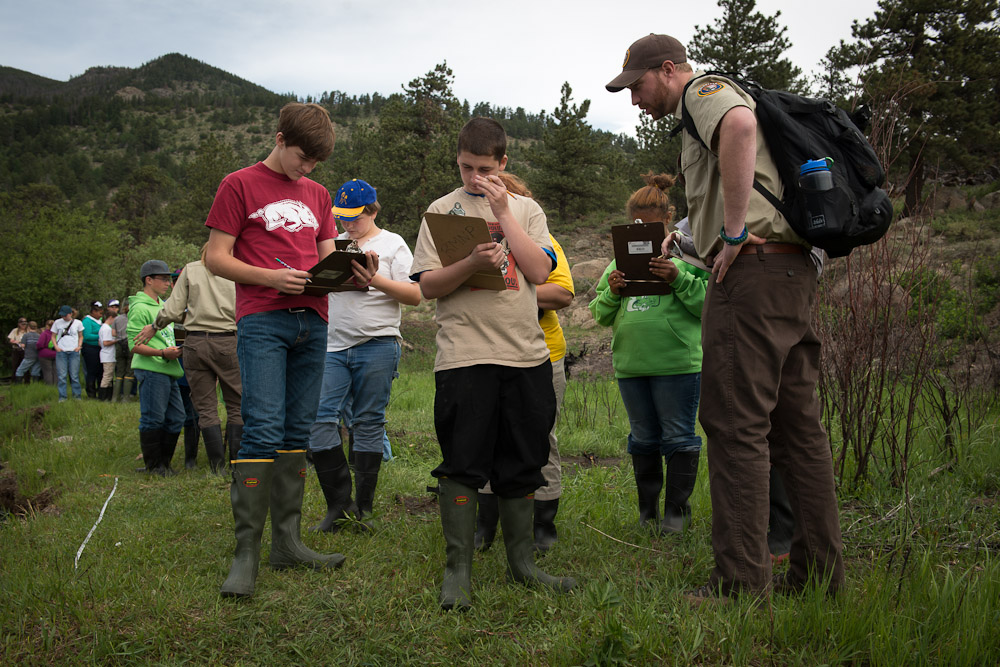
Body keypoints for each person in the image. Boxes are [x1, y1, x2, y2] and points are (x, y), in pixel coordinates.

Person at [606, 34, 845, 600]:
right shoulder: (696, 110)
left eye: (637, 86)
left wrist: (734, 232)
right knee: (798, 431)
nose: (634, 99)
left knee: (736, 426)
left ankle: (741, 581)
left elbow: (739, 126)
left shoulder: (704, 91)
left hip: (752, 279)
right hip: (790, 273)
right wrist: (689, 237)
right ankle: (818, 578)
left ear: (669, 70)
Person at [410, 117, 575, 611]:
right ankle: (457, 569)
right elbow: (427, 287)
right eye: (466, 167)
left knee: (524, 461)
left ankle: (523, 564)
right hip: (464, 355)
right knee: (463, 462)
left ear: (503, 163)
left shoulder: (526, 209)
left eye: (484, 168)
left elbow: (542, 270)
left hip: (525, 354)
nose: (474, 177)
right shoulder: (441, 211)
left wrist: (504, 212)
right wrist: (470, 265)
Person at [205, 102, 362, 599]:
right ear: (279, 138)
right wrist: (272, 277)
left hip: (313, 322)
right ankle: (245, 553)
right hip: (263, 320)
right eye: (302, 157)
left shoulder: (317, 194)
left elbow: (325, 258)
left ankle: (287, 543)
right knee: (263, 428)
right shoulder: (239, 184)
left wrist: (352, 268)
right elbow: (215, 257)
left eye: (316, 162)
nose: (309, 168)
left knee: (298, 429)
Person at [589, 173, 708, 535]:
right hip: (631, 366)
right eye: (635, 223)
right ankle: (647, 514)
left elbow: (708, 307)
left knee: (678, 436)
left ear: (666, 220)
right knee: (642, 438)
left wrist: (677, 278)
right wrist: (611, 291)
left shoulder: (689, 257)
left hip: (676, 364)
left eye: (650, 224)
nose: (641, 228)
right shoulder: (617, 261)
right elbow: (600, 313)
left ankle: (676, 516)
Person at [308, 179, 420, 533]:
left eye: (355, 217)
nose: (348, 224)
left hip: (378, 344)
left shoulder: (393, 244)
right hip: (331, 345)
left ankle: (365, 508)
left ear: (373, 210)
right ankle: (338, 506)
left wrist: (374, 280)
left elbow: (415, 295)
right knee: (321, 420)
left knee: (369, 422)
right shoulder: (334, 244)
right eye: (342, 217)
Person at [474, 172, 575, 555]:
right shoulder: (480, 241)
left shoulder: (542, 240)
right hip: (487, 350)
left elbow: (562, 292)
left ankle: (542, 526)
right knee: (486, 438)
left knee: (539, 439)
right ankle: (486, 526)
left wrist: (510, 294)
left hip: (541, 353)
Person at [134, 244, 241, 473]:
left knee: (205, 408)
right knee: (236, 405)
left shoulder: (191, 270)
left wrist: (155, 326)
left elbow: (172, 309)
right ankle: (236, 464)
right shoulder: (239, 268)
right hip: (229, 341)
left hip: (196, 343)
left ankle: (217, 467)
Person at [128, 260, 185, 475]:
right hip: (152, 369)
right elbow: (134, 345)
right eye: (163, 279)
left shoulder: (163, 306)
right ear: (148, 280)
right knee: (153, 417)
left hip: (169, 368)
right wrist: (162, 353)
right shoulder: (140, 308)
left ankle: (164, 464)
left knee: (177, 417)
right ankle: (154, 467)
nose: (168, 284)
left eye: (170, 279)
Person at [52, 306, 83, 401]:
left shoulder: (78, 323)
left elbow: (81, 336)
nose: (63, 317)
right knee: (62, 376)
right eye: (62, 315)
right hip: (62, 351)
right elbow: (53, 336)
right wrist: (56, 347)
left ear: (70, 314)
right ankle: (62, 397)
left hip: (74, 351)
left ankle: (77, 396)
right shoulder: (57, 322)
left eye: (65, 315)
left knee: (74, 375)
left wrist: (79, 346)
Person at [111, 299, 134, 402]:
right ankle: (126, 398)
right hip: (130, 344)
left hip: (119, 345)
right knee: (129, 372)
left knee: (119, 372)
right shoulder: (134, 318)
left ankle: (115, 398)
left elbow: (113, 333)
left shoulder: (117, 319)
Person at [81, 301, 104, 399]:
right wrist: (101, 336)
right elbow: (87, 336)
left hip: (100, 348)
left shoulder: (101, 321)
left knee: (100, 371)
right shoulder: (87, 321)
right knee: (91, 371)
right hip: (90, 348)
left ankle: (100, 391)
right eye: (99, 313)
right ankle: (91, 392)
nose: (101, 315)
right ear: (93, 312)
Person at [98, 314, 116, 400]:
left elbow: (99, 342)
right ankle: (102, 396)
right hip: (108, 355)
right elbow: (105, 342)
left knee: (109, 376)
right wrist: (116, 341)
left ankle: (108, 396)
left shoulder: (103, 328)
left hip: (107, 354)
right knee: (107, 376)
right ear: (110, 317)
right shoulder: (106, 329)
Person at [36, 320, 57, 385]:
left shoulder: (45, 333)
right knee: (55, 371)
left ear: (47, 326)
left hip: (45, 354)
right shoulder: (58, 334)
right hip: (56, 354)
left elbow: (40, 344)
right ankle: (56, 385)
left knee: (47, 371)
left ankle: (49, 386)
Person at [8, 317, 28, 382]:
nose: (24, 326)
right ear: (19, 324)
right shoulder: (15, 331)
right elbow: (11, 340)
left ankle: (27, 381)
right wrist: (17, 342)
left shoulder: (27, 331)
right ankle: (14, 381)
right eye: (22, 324)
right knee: (15, 365)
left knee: (25, 366)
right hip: (16, 350)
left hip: (25, 350)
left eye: (25, 324)